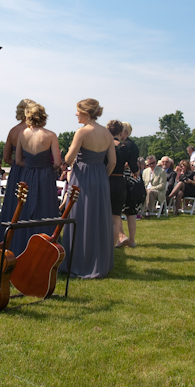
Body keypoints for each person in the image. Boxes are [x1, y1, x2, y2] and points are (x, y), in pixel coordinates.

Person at [61, 98, 115, 279]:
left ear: (85, 113)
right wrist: (102, 177)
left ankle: (78, 262)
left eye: (78, 111)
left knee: (79, 217)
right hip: (100, 176)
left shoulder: (82, 132)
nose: (76, 114)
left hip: (82, 177)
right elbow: (113, 162)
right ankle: (99, 262)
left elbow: (68, 159)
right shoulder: (107, 134)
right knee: (98, 219)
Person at [2, 101, 63, 255]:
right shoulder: (51, 135)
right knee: (46, 210)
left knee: (24, 210)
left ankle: (21, 247)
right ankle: (47, 249)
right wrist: (49, 168)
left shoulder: (22, 135)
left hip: (27, 174)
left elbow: (18, 161)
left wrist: (30, 166)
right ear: (43, 117)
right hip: (46, 176)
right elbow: (57, 162)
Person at [0, 99, 35, 242]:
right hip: (31, 172)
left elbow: (6, 157)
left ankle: (10, 240)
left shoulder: (13, 131)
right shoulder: (33, 131)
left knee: (14, 206)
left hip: (16, 173)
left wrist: (17, 165)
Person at [108, 121, 140, 248]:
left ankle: (116, 241)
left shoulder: (108, 145)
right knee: (117, 215)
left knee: (110, 214)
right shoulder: (126, 147)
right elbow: (134, 166)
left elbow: (110, 163)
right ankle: (121, 241)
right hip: (121, 181)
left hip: (109, 180)